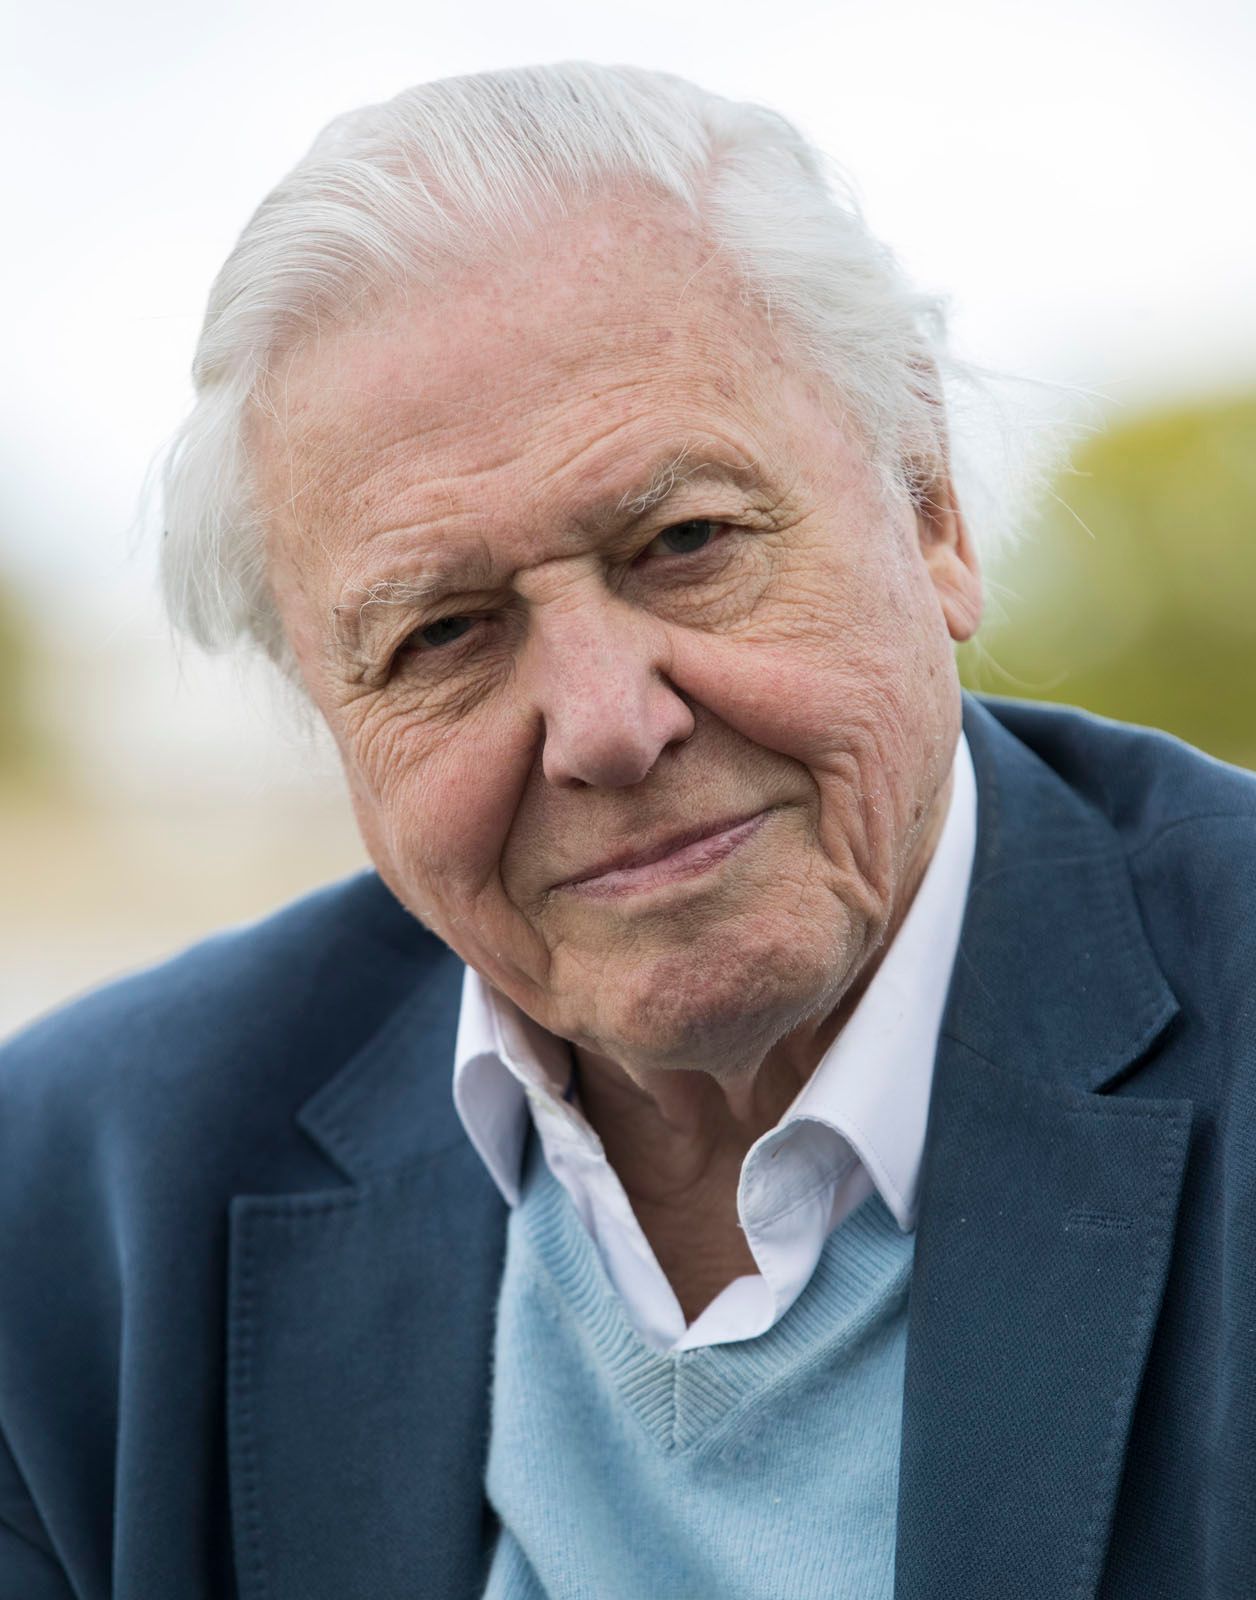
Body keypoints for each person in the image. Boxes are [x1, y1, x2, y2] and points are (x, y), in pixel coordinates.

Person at [1, 62, 1253, 1600]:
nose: (606, 724)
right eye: (444, 633)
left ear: (928, 505)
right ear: (326, 710)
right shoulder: (67, 1215)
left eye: (687, 542)